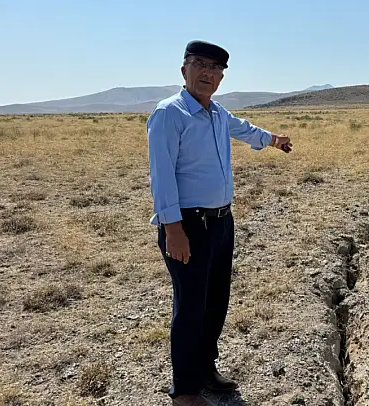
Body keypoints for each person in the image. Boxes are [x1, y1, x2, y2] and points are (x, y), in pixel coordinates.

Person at [147, 40, 292, 406]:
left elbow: (243, 129)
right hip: (188, 226)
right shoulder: (169, 114)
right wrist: (173, 229)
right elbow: (161, 176)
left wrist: (272, 140)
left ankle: (205, 369)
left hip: (221, 222)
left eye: (215, 68)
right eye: (200, 64)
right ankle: (185, 391)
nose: (207, 73)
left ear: (221, 77)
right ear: (184, 70)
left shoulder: (216, 113)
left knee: (215, 302)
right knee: (190, 306)